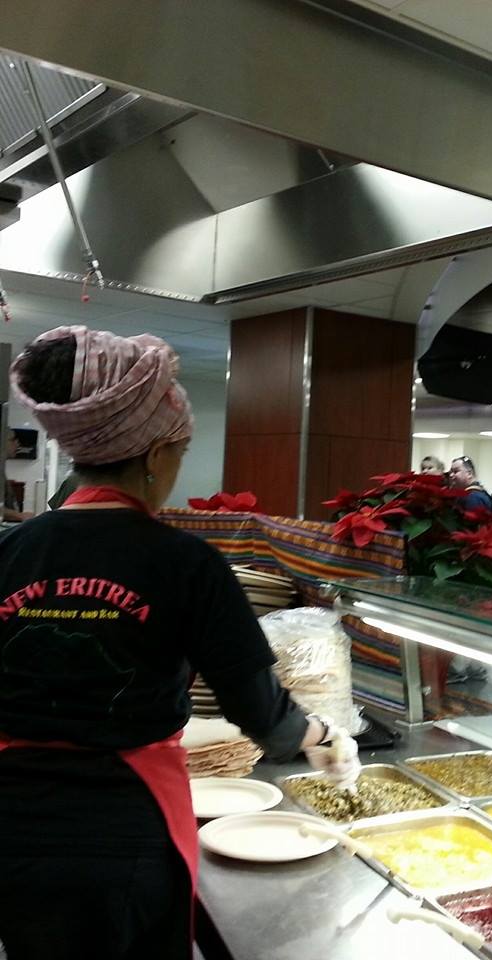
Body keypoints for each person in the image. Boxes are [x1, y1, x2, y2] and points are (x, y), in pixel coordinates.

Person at [0, 325, 360, 960]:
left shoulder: (10, 551)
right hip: (126, 832)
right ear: (155, 454)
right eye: (181, 450)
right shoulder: (187, 563)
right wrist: (324, 736)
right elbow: (261, 714)